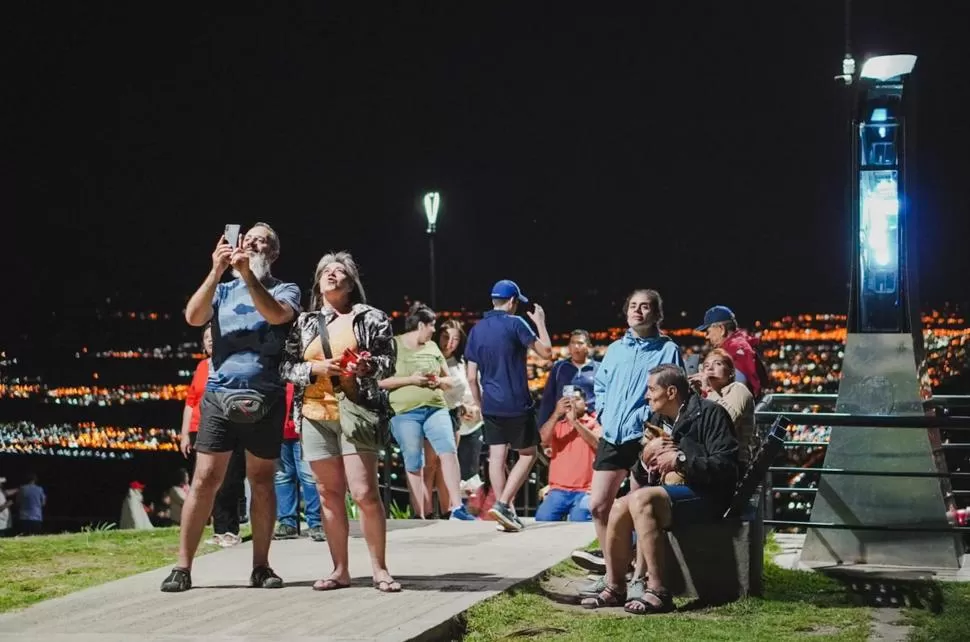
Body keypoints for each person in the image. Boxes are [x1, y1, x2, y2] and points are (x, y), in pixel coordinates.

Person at [161, 222, 301, 593]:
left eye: (263, 241)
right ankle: (182, 567)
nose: (254, 243)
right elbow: (193, 316)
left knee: (262, 481)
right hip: (219, 396)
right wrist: (216, 270)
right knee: (205, 480)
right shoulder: (222, 290)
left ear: (273, 253)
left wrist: (247, 276)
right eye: (249, 238)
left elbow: (276, 315)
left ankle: (261, 565)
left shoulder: (285, 289)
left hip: (266, 398)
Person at [280, 251, 401, 593]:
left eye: (340, 271)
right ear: (318, 282)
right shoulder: (304, 322)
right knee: (328, 494)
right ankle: (340, 569)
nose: (333, 275)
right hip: (315, 414)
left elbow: (388, 362)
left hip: (355, 409)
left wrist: (365, 367)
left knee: (364, 493)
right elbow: (286, 367)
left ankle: (379, 569)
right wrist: (313, 369)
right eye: (327, 271)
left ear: (351, 282)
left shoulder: (371, 318)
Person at [581, 364, 739, 614]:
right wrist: (645, 458)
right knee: (621, 504)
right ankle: (615, 586)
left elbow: (727, 466)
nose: (646, 395)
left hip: (708, 496)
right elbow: (640, 472)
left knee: (642, 499)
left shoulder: (711, 414)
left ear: (672, 391)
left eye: (651, 389)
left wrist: (680, 461)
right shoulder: (657, 420)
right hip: (675, 495)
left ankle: (658, 590)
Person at [572, 289, 683, 583]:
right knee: (598, 505)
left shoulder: (667, 349)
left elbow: (672, 394)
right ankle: (614, 572)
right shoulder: (616, 348)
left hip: (643, 438)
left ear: (656, 314)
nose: (638, 311)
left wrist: (645, 420)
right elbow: (602, 386)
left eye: (645, 307)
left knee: (638, 507)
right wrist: (604, 414)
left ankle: (639, 576)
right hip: (612, 435)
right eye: (633, 306)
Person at [465, 279, 553, 532]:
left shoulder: (477, 330)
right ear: (513, 301)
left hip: (491, 404)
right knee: (528, 454)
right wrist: (540, 322)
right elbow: (546, 352)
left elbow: (472, 377)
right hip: (516, 402)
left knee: (496, 456)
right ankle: (504, 504)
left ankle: (507, 511)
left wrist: (481, 404)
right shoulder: (516, 323)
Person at [381, 303, 474, 520]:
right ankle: (420, 513)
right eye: (431, 326)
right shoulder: (393, 346)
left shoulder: (432, 347)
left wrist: (439, 381)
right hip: (405, 412)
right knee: (414, 461)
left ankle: (457, 508)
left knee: (448, 452)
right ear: (421, 325)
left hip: (436, 408)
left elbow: (449, 380)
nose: (434, 330)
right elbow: (380, 382)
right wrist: (412, 380)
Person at [180, 324, 246, 547]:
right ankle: (218, 530)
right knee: (206, 481)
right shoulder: (201, 367)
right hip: (200, 429)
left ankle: (230, 529)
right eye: (206, 338)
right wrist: (184, 434)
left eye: (214, 337)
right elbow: (190, 402)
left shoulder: (233, 366)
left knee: (229, 480)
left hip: (228, 427)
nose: (210, 341)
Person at [534, 388, 600, 522]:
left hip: (585, 491)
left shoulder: (594, 423)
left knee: (579, 519)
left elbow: (598, 444)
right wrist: (556, 414)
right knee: (543, 518)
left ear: (585, 404)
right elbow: (542, 440)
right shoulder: (557, 425)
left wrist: (575, 422)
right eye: (569, 400)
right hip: (558, 490)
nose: (573, 403)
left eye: (577, 399)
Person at [274, 382, 326, 541]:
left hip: (305, 428)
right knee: (282, 476)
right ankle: (287, 523)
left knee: (309, 477)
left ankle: (315, 523)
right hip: (279, 429)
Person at [690, 348, 757, 464]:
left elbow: (723, 424)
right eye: (706, 366)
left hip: (733, 463)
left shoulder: (738, 390)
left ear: (731, 372)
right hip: (708, 460)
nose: (710, 368)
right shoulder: (702, 396)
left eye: (718, 364)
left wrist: (707, 391)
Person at [696, 306, 767, 399]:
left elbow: (738, 388)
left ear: (721, 329)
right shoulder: (741, 343)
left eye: (708, 332)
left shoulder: (734, 349)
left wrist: (706, 384)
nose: (707, 337)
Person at [537, 329, 599, 426]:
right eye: (572, 343)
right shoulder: (559, 368)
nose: (576, 346)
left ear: (588, 346)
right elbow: (548, 399)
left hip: (590, 423)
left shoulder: (598, 368)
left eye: (580, 343)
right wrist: (542, 426)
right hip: (563, 423)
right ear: (569, 347)